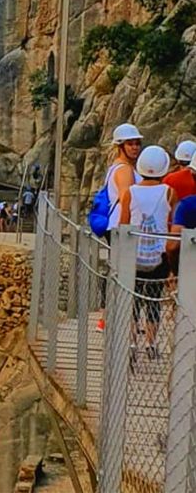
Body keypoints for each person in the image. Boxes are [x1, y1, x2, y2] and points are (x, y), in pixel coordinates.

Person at [120, 146, 177, 360]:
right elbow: (171, 222)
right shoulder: (169, 192)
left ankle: (132, 343)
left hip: (133, 255)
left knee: (134, 300)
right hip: (158, 255)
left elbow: (123, 223)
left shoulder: (129, 192)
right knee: (153, 300)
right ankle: (151, 345)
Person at [96, 123, 144, 332]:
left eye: (137, 143)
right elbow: (127, 197)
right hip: (121, 225)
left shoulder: (115, 166)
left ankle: (108, 317)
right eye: (130, 144)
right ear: (120, 146)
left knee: (116, 269)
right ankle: (113, 318)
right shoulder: (124, 169)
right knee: (124, 271)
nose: (135, 147)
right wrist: (128, 225)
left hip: (114, 224)